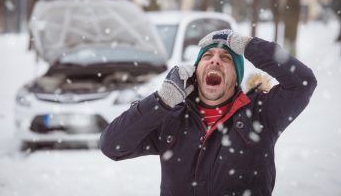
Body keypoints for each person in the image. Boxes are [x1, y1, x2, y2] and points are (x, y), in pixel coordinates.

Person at [99, 29, 317, 196]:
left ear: (235, 77)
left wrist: (249, 45)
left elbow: (303, 82)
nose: (215, 60)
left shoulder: (261, 112)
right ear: (196, 72)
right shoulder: (171, 117)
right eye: (207, 56)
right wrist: (161, 101)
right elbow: (112, 146)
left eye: (226, 58)